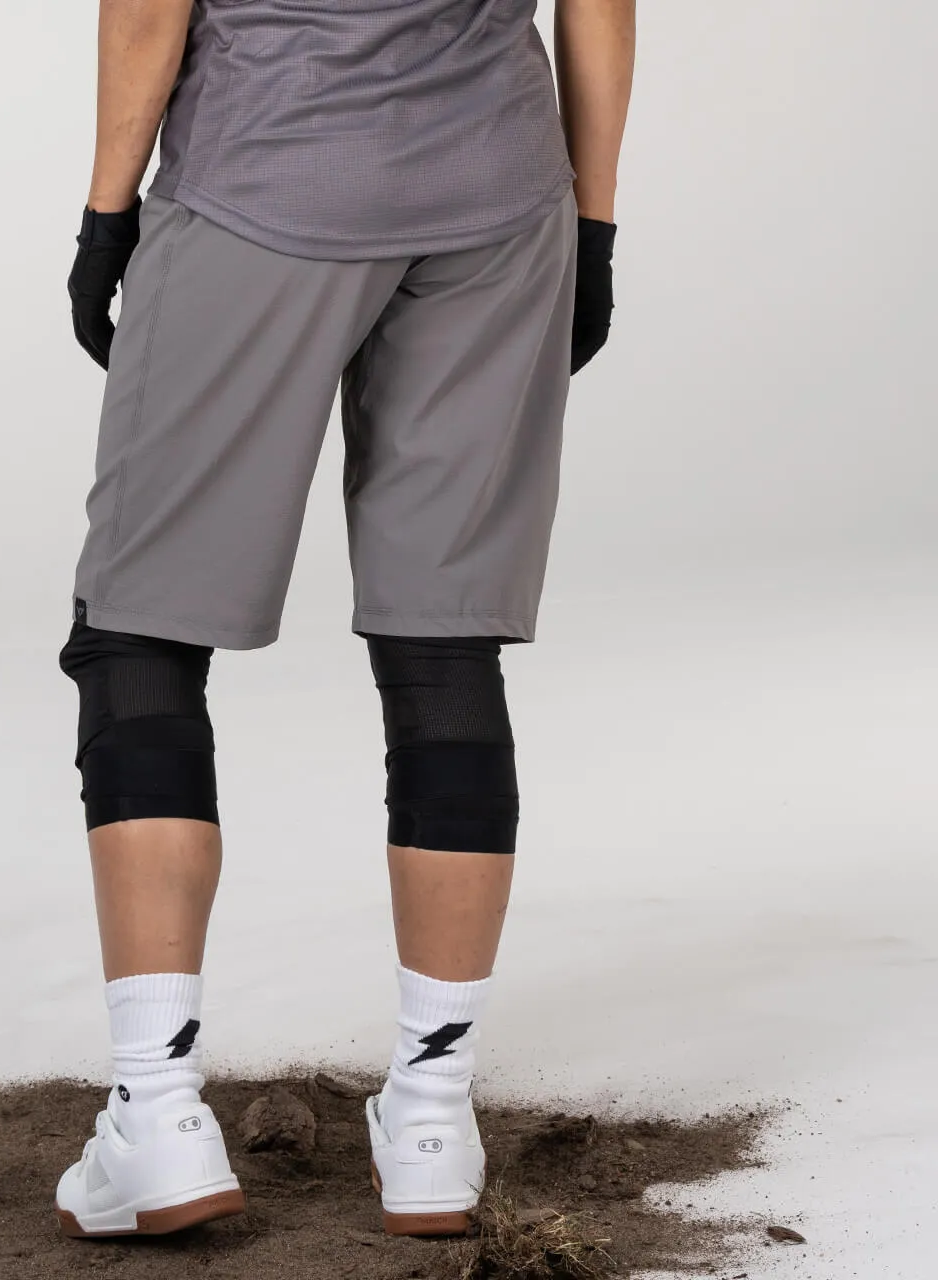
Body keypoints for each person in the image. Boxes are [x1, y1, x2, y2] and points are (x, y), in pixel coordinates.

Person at [53, 0, 635, 1242]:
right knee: (443, 648)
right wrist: (592, 224)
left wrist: (106, 215)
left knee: (139, 634)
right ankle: (430, 1116)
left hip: (265, 178)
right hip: (497, 195)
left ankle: (155, 1107)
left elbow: (149, 10)